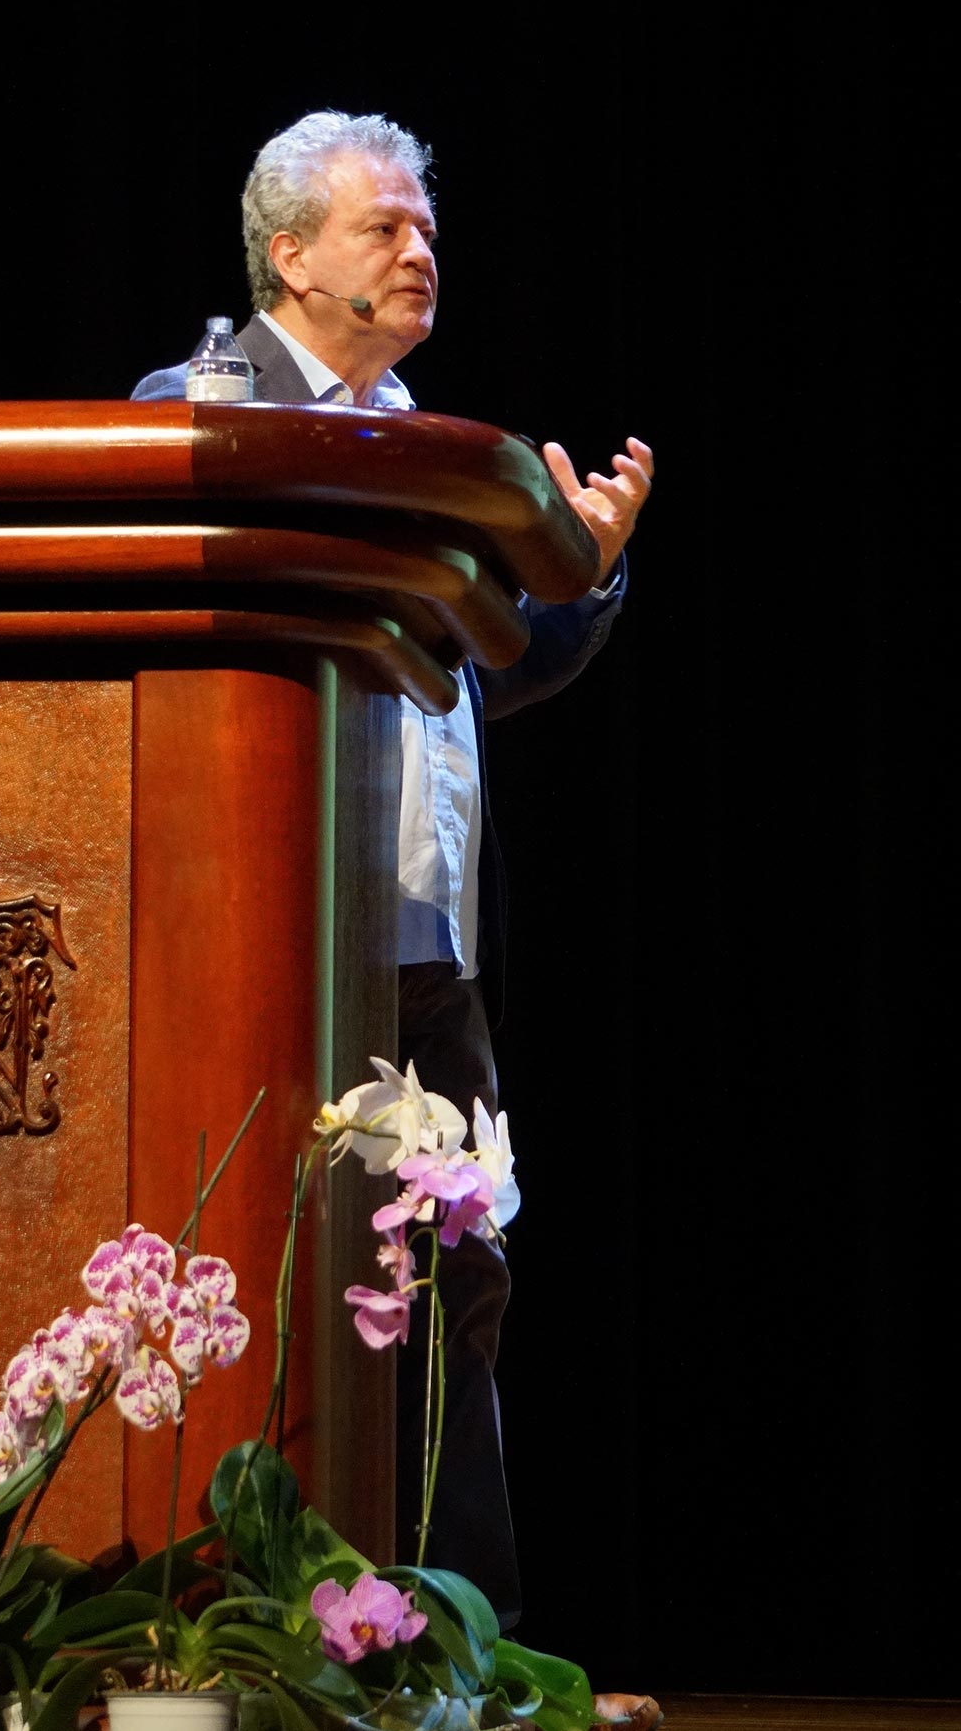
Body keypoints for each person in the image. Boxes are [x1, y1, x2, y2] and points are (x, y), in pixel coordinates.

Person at [131, 109, 653, 1652]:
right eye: (386, 229)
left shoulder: (421, 432)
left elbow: (483, 666)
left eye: (428, 227)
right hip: (269, 930)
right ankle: (240, 1626)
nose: (421, 251)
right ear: (287, 256)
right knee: (282, 1283)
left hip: (423, 936)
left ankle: (455, 1645)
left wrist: (584, 568)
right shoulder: (208, 406)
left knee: (452, 1288)